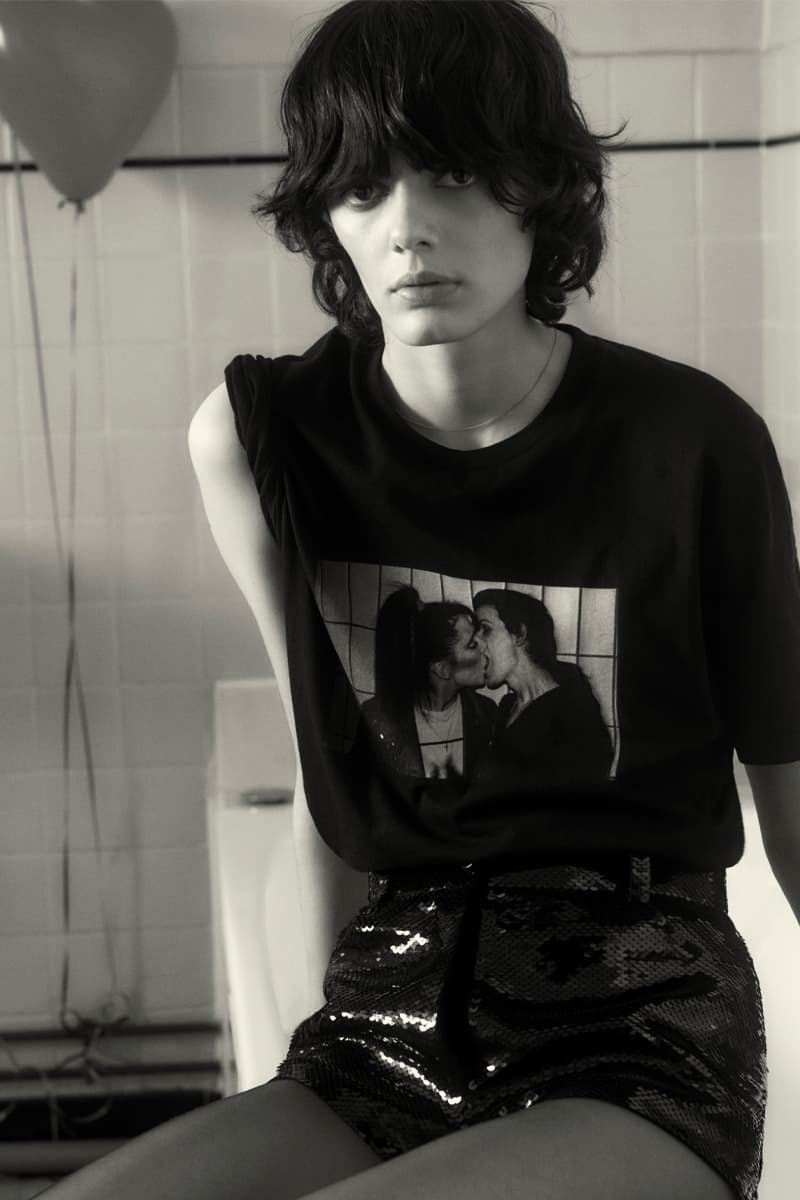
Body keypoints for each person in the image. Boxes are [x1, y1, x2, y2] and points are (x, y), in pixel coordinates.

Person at [49, 2, 800, 1199]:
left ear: (536, 187)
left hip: (638, 1025)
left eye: (452, 174)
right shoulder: (263, 438)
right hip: (385, 1015)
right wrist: (302, 1050)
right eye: (362, 187)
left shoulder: (691, 444)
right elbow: (329, 771)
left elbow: (788, 790)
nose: (405, 227)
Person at [473, 588, 614, 781]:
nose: (475, 641)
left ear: (520, 634)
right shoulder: (507, 707)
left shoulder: (573, 712)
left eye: (485, 629)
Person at [359, 585, 495, 779]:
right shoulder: (376, 721)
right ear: (443, 669)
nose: (486, 648)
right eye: (473, 645)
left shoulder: (488, 715)